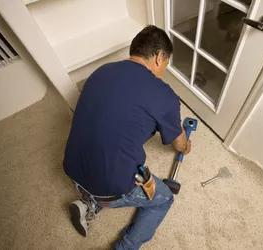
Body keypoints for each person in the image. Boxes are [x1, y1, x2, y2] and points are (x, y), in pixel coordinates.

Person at [63, 25, 191, 250]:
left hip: (72, 168)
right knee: (163, 200)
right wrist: (186, 145)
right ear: (159, 57)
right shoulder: (164, 95)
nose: (164, 71)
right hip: (110, 186)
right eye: (166, 65)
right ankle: (126, 246)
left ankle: (88, 203)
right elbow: (179, 144)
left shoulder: (101, 71)